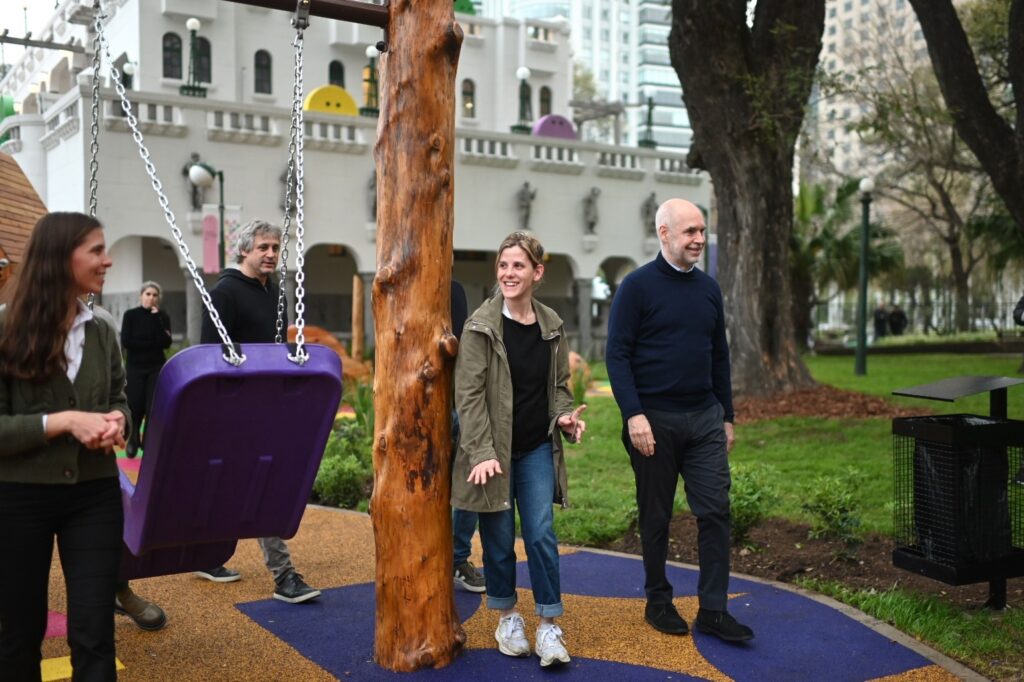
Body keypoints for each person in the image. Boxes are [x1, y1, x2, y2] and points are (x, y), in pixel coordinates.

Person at [606, 198, 754, 643]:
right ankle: (658, 600)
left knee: (716, 511)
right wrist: (634, 414)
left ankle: (713, 609)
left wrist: (726, 415)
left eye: (702, 231)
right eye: (690, 231)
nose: (699, 239)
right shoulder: (636, 287)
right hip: (653, 422)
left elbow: (720, 357)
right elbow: (617, 355)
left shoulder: (709, 289)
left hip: (704, 418)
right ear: (665, 233)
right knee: (656, 516)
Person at [0, 212, 130, 680]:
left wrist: (118, 422)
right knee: (18, 632)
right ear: (60, 258)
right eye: (96, 250)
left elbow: (119, 398)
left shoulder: (103, 330)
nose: (107, 260)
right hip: (17, 498)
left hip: (93, 495)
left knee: (95, 632)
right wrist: (63, 421)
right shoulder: (6, 330)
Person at [452, 231, 586, 668]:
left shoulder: (552, 325)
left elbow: (559, 389)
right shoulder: (481, 326)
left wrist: (564, 417)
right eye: (503, 265)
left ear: (537, 272)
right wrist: (482, 452)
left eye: (518, 266)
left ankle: (548, 624)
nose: (509, 273)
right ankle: (507, 616)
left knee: (542, 534)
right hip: (492, 452)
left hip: (534, 448)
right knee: (497, 540)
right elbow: (468, 396)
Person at [195, 219, 321, 604]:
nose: (270, 254)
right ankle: (284, 576)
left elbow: (276, 350)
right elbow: (209, 354)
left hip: (268, 403)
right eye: (263, 247)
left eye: (275, 248)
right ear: (244, 250)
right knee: (261, 484)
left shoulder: (275, 294)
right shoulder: (225, 293)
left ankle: (206, 554)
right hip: (236, 407)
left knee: (238, 482)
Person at [449, 278, 485, 593]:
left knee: (469, 479)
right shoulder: (399, 282)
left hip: (455, 399)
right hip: (413, 402)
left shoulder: (454, 289)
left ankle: (457, 557)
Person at [120, 282, 172, 458]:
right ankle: (133, 439)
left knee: (152, 406)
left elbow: (165, 343)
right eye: (148, 294)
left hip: (155, 367)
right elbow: (127, 341)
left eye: (155, 295)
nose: (151, 298)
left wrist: (157, 321)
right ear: (141, 296)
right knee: (134, 405)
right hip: (135, 368)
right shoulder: (130, 316)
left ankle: (148, 441)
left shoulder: (162, 317)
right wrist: (151, 344)